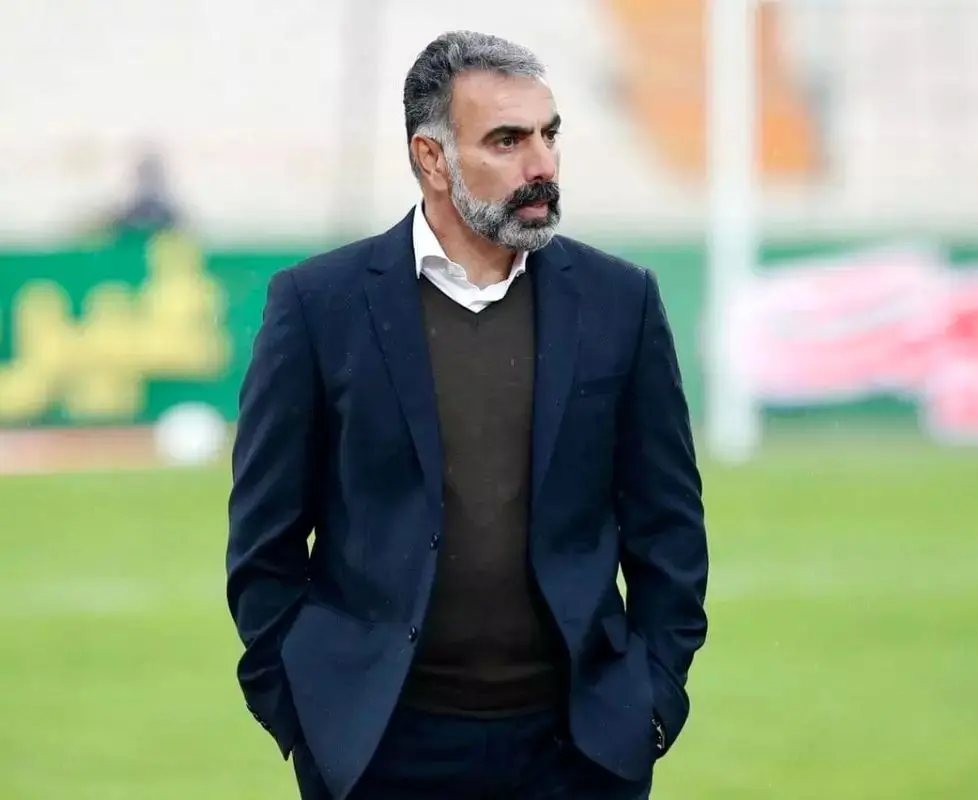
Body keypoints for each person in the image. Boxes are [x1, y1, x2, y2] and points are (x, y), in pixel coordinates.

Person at [226, 30, 708, 800]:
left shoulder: (623, 302)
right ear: (432, 158)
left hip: (579, 753)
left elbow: (669, 529)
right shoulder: (318, 306)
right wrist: (303, 718)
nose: (541, 164)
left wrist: (653, 701)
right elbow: (264, 542)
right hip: (383, 754)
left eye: (549, 134)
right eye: (507, 141)